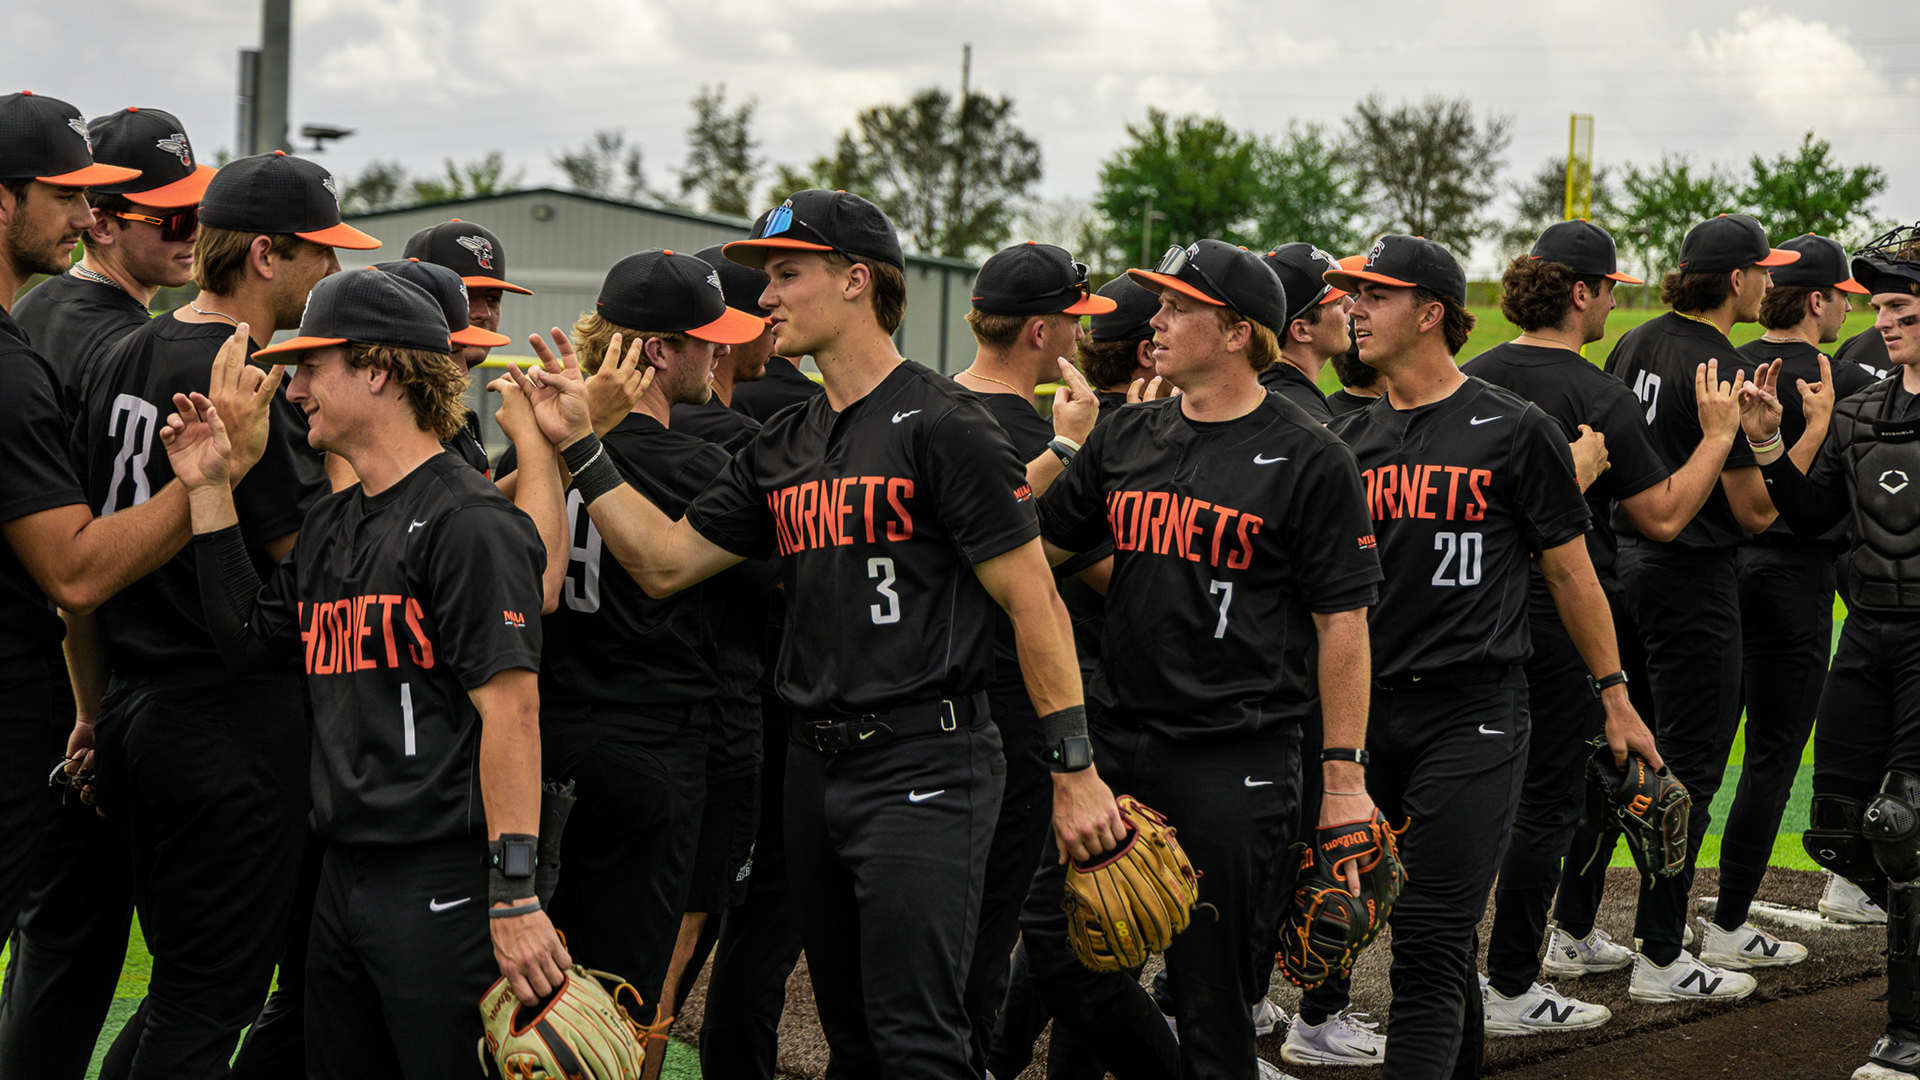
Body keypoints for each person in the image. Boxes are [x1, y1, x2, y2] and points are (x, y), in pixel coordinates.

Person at [511, 188, 1122, 1079]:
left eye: (786, 275)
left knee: (919, 1041)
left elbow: (1038, 605)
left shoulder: (946, 425)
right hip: (812, 769)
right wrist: (582, 448)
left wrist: (1074, 773)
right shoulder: (784, 442)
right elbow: (666, 563)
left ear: (856, 281)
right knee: (855, 1039)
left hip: (927, 762)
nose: (764, 298)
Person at [160, 267, 570, 1077]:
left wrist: (515, 894)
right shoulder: (335, 522)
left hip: (442, 877)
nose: (296, 385)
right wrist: (209, 493)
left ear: (379, 369)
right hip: (345, 878)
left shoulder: (470, 523)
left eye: (315, 365)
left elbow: (513, 717)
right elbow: (250, 641)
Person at [1019, 238, 1380, 1080]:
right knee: (1064, 952)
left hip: (1236, 757)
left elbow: (1344, 624)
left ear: (1234, 330)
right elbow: (1044, 548)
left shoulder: (1310, 453)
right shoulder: (1128, 434)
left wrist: (1343, 780)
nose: (1157, 320)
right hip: (1117, 742)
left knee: (1212, 996)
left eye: (1178, 307)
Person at [1325, 234, 1660, 1079]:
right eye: (1351, 294)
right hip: (1369, 718)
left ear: (1430, 313)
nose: (1353, 308)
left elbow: (1574, 574)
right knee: (1426, 939)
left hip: (1473, 712)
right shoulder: (1349, 443)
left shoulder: (1515, 430)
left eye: (1374, 293)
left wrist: (1615, 696)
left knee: (1430, 939)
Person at [72, 149, 376, 1078]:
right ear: (265, 256)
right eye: (318, 251)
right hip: (227, 721)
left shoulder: (126, 343)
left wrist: (91, 709)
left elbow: (82, 571)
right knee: (211, 1002)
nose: (332, 271)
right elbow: (319, 564)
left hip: (134, 704)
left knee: (185, 992)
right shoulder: (244, 374)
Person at [1463, 219, 1744, 1033]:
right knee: (1549, 803)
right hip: (1557, 617)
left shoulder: (1473, 376)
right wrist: (1720, 438)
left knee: (1477, 798)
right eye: (1607, 290)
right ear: (1580, 291)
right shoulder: (1595, 394)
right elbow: (1661, 517)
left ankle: (1501, 965)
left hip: (1473, 613)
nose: (1610, 305)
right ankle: (1511, 985)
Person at [0, 100, 214, 1080]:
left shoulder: (50, 317)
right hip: (63, 682)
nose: (191, 238)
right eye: (171, 219)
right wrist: (210, 479)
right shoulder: (86, 334)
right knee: (78, 944)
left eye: (199, 218)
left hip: (63, 679)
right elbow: (75, 565)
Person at [513, 249, 767, 1070]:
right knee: (615, 1005)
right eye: (704, 340)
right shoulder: (711, 468)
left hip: (540, 742)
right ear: (656, 350)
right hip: (653, 751)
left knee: (521, 997)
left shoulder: (531, 462)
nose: (720, 353)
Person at [1588, 213, 1795, 998]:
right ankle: (1662, 954)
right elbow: (1752, 514)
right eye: (1762, 271)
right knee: (1692, 765)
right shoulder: (1722, 363)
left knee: (1617, 756)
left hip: (1621, 568)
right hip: (1691, 574)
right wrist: (1783, 445)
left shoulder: (1634, 340)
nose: (1769, 283)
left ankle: (1573, 930)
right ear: (1735, 280)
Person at [1741, 221, 1920, 1080]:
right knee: (1840, 831)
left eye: (1899, 308)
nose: (1881, 322)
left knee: (1905, 827)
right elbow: (1809, 519)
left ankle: (1908, 1031)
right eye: (1879, 308)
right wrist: (1772, 441)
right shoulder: (1858, 411)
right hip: (1866, 637)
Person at [952, 239, 1111, 1071]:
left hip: (926, 703)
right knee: (991, 928)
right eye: (1073, 322)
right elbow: (1100, 573)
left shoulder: (932, 405)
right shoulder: (1041, 431)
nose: (1081, 338)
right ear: (1041, 332)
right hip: (1012, 707)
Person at [1713, 233, 1876, 958]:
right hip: (1793, 577)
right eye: (1842, 296)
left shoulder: (1723, 364)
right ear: (1816, 300)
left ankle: (1657, 929)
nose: (1847, 309)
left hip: (1716, 573)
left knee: (1701, 754)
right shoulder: (1831, 380)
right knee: (1773, 755)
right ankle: (1726, 925)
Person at [14, 106, 213, 414]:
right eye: (179, 221)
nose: (195, 234)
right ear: (103, 226)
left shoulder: (32, 304)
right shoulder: (137, 345)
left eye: (200, 214)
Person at [403, 219, 532, 473]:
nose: (483, 313)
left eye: (493, 298)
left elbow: (482, 507)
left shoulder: (458, 415)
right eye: (465, 295)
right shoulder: (400, 410)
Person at [1258, 243, 1352, 423]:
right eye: (1338, 302)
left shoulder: (1268, 388)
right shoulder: (1308, 421)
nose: (1352, 306)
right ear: (1301, 331)